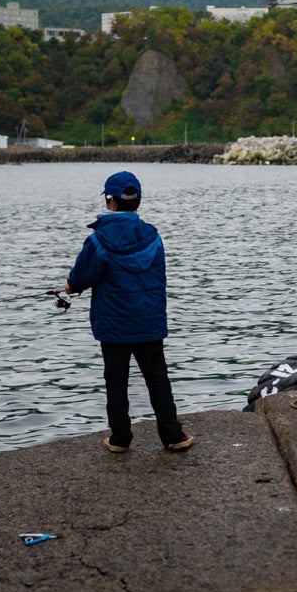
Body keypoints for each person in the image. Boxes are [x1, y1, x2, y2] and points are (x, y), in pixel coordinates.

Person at [63, 170, 193, 453]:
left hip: (114, 325)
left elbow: (83, 276)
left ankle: (121, 438)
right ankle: (173, 435)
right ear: (138, 201)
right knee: (158, 379)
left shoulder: (99, 239)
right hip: (149, 322)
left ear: (110, 201)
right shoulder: (153, 236)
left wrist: (70, 287)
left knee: (116, 382)